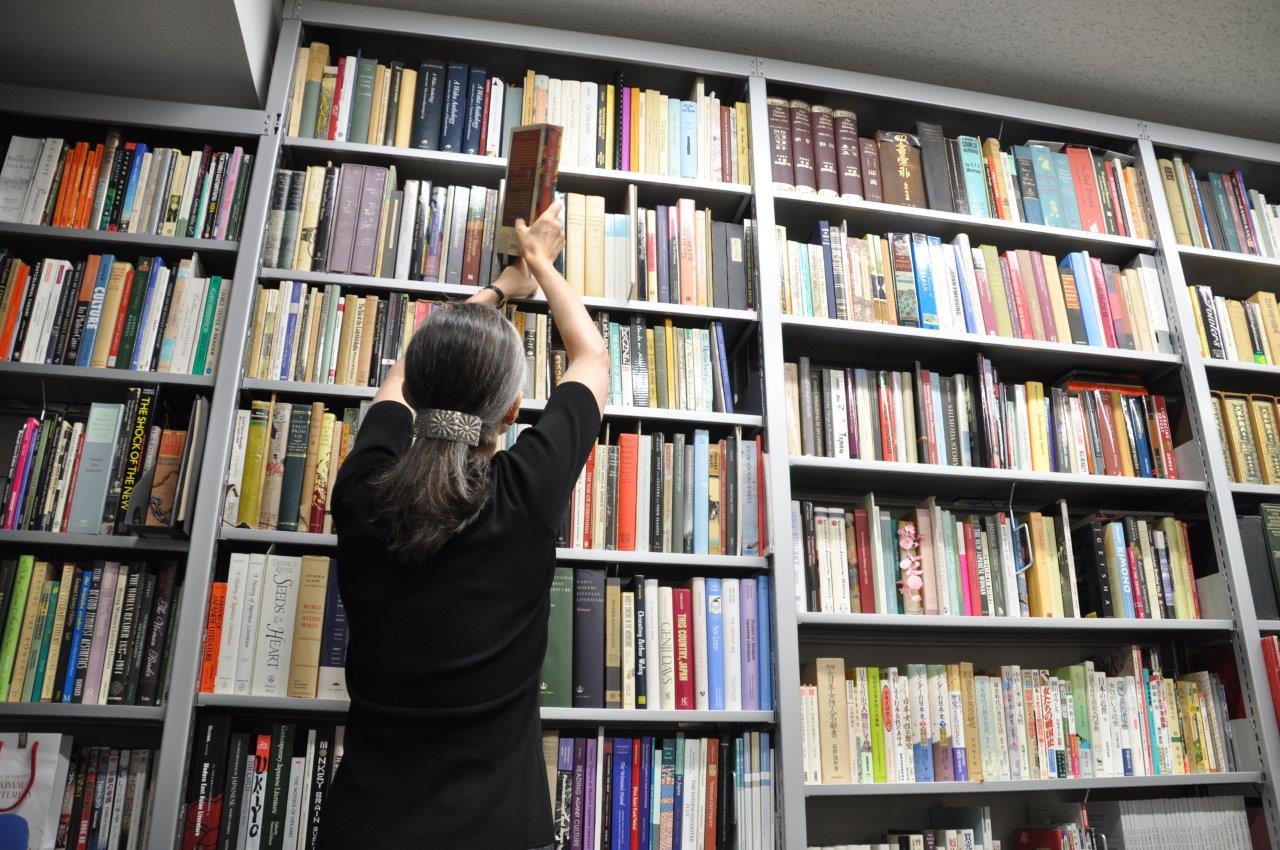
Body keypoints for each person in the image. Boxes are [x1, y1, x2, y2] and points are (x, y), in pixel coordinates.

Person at [317, 200, 608, 850]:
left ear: (415, 394)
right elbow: (590, 356)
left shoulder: (363, 489)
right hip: (499, 830)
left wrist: (500, 287)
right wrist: (541, 267)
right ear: (511, 412)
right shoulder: (527, 491)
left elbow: (402, 369)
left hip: (363, 829)